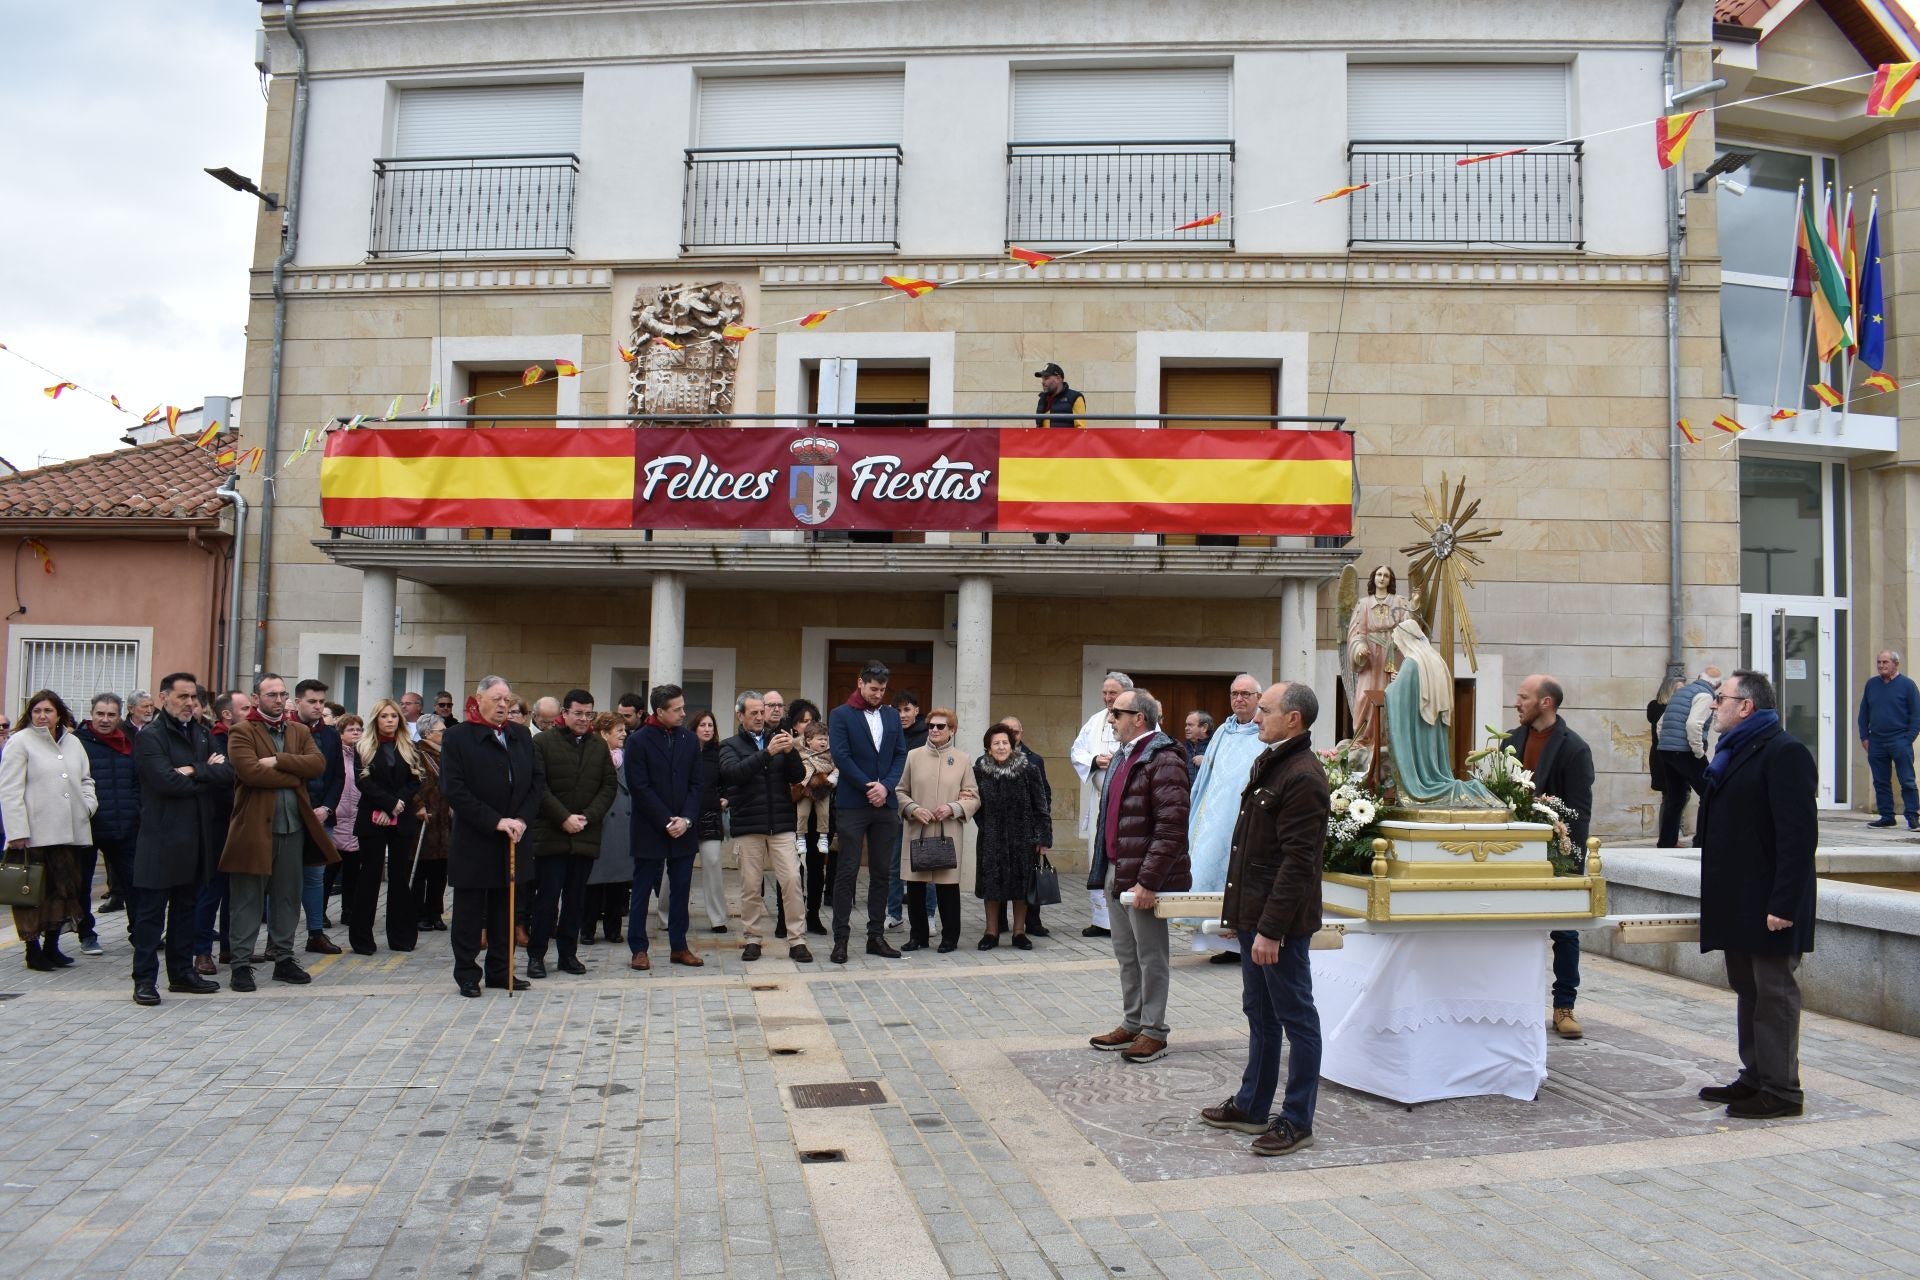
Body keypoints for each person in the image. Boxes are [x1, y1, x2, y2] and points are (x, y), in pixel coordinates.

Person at [1199, 681, 1331, 1155]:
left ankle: (1297, 1119)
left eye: (1266, 709)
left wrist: (1271, 929)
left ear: (1293, 719)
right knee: (1260, 1013)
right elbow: (1249, 849)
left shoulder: (1303, 776)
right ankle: (1253, 1105)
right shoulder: (1272, 762)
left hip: (1280, 927)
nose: (1256, 716)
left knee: (1297, 1018)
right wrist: (1238, 916)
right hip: (1255, 917)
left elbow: (1298, 864)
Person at [1696, 669, 1818, 1119]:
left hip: (1771, 904)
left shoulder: (1784, 753)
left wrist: (1783, 905)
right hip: (1740, 901)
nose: (1714, 705)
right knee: (1748, 989)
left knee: (1775, 995)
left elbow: (1798, 837)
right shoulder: (1733, 750)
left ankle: (1782, 1091)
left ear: (1745, 706)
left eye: (1720, 698)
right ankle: (1756, 1076)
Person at [1085, 687, 1191, 1064]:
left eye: (1116, 713)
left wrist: (1148, 880)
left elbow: (1171, 826)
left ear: (1139, 718)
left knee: (1151, 956)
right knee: (1126, 954)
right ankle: (1132, 1023)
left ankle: (1154, 1031)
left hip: (1144, 876)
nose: (1110, 719)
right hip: (1118, 867)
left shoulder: (1164, 758)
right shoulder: (1124, 755)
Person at [220, 674, 335, 991]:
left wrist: (279, 761)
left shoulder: (298, 730)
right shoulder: (242, 731)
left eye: (282, 694)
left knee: (287, 897)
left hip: (293, 827)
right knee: (247, 900)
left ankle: (284, 958)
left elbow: (317, 765)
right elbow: (250, 772)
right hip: (253, 828)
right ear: (256, 699)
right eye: (271, 694)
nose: (278, 699)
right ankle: (241, 965)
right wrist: (293, 774)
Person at [1503, 675, 1596, 1041]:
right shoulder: (1510, 741)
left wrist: (1569, 857)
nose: (1516, 702)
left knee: (1565, 931)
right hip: (1513, 853)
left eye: (1523, 697)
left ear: (1546, 703)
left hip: (1557, 853)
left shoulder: (1575, 749)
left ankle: (1564, 1006)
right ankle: (1510, 1001)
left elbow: (1580, 812)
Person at [128, 673, 230, 1004]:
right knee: (150, 916)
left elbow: (227, 774)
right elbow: (165, 783)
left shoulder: (201, 733)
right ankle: (144, 979)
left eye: (193, 698)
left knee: (186, 911)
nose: (189, 703)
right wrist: (203, 772)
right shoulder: (151, 737)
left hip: (195, 839)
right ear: (163, 698)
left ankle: (181, 973)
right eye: (182, 697)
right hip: (161, 839)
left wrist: (193, 770)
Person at [440, 676, 543, 996]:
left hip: (515, 836)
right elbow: (454, 789)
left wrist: (523, 819)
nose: (503, 705)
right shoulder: (457, 737)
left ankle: (501, 970)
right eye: (497, 699)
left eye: (507, 700)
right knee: (470, 912)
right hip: (476, 838)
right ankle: (468, 974)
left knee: (506, 909)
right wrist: (496, 821)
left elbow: (536, 782)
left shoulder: (521, 735)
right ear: (479, 699)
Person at [0, 690, 96, 972]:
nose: (42, 716)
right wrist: (16, 830)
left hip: (68, 830)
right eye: (37, 711)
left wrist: (88, 805)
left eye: (48, 711)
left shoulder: (74, 743)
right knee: (32, 890)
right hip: (34, 832)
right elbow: (9, 789)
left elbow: (86, 779)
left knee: (64, 888)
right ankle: (33, 949)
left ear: (59, 715)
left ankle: (53, 945)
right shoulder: (20, 742)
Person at [527, 689, 617, 979]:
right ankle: (536, 956)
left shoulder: (598, 746)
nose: (583, 718)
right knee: (547, 900)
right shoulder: (542, 743)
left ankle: (568, 954)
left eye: (588, 713)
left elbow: (608, 786)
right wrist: (563, 817)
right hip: (552, 835)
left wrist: (587, 817)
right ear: (564, 714)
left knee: (576, 900)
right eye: (577, 713)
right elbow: (539, 787)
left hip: (585, 835)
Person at [718, 692, 810, 963]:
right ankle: (753, 938)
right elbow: (734, 774)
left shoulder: (778, 739)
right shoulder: (729, 745)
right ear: (740, 716)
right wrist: (767, 754)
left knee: (792, 880)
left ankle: (797, 939)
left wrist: (791, 750)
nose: (760, 717)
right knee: (750, 886)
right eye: (754, 713)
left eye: (762, 712)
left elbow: (797, 776)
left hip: (781, 824)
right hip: (748, 826)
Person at [827, 662, 908, 964]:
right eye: (873, 689)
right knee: (846, 871)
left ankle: (876, 936)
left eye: (883, 690)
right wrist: (867, 787)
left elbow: (900, 754)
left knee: (882, 872)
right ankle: (841, 940)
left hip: (884, 804)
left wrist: (885, 787)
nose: (878, 694)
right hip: (852, 803)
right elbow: (841, 756)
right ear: (860, 683)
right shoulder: (841, 714)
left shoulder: (891, 715)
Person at [1186, 674, 1265, 962]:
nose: (1239, 699)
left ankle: (1241, 942)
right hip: (1215, 817)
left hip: (1245, 816)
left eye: (1245, 694)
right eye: (1234, 694)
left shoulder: (1264, 731)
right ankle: (1222, 943)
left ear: (1258, 697)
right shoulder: (1222, 731)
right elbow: (1207, 774)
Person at [1385, 618, 1502, 809]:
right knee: (1436, 771)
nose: (1398, 648)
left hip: (1418, 729)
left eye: (1398, 643)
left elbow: (1397, 696)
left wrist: (1391, 686)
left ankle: (1424, 784)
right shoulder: (1436, 660)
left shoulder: (1411, 663)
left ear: (1405, 639)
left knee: (1425, 781)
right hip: (1435, 728)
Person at [627, 684, 703, 970]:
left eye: (683, 707)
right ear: (659, 711)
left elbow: (697, 784)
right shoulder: (638, 740)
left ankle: (679, 946)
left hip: (684, 828)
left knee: (681, 889)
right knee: (643, 889)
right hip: (650, 828)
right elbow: (639, 786)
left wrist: (685, 819)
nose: (684, 713)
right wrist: (666, 819)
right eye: (677, 709)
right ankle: (638, 948)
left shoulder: (688, 739)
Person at [895, 708, 979, 953]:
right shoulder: (914, 756)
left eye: (940, 726)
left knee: (947, 887)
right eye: (931, 725)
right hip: (917, 829)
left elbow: (973, 797)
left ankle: (950, 937)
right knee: (916, 886)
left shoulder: (962, 759)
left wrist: (953, 807)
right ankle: (917, 935)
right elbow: (901, 791)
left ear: (951, 730)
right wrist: (912, 809)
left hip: (947, 830)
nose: (934, 729)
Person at [349, 697, 424, 956]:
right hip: (372, 817)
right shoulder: (363, 747)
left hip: (401, 818)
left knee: (400, 878)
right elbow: (364, 783)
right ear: (376, 720)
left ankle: (401, 937)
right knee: (369, 877)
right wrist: (386, 805)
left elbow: (415, 781)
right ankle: (362, 939)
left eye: (394, 716)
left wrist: (397, 804)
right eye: (384, 716)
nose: (390, 720)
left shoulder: (410, 747)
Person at [970, 721, 1048, 951]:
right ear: (988, 747)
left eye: (1005, 742)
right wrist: (985, 826)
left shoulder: (1029, 770)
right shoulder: (978, 772)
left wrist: (1042, 837)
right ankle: (991, 932)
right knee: (991, 885)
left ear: (1012, 745)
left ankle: (1019, 932)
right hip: (990, 838)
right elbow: (974, 804)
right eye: (996, 743)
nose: (1001, 747)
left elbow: (1040, 806)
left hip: (1023, 838)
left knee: (1020, 887)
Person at [76, 693, 140, 957]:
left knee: (135, 882)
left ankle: (140, 932)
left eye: (111, 714)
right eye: (100, 714)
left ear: (119, 716)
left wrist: (136, 810)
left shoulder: (129, 742)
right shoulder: (77, 744)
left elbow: (138, 780)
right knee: (82, 884)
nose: (104, 720)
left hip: (124, 825)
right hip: (88, 825)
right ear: (91, 713)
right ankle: (86, 934)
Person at [192, 690, 250, 975]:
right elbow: (221, 776)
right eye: (245, 708)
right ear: (227, 714)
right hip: (216, 824)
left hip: (242, 822)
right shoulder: (211, 739)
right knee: (211, 889)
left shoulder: (248, 737)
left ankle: (231, 947)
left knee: (236, 890)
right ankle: (202, 951)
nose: (251, 713)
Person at [1069, 672, 1131, 937]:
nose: (1107, 698)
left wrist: (1120, 758)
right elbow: (1077, 751)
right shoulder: (1095, 721)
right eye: (1105, 693)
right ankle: (1101, 919)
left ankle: (1124, 919)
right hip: (1100, 803)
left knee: (1124, 858)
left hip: (1129, 803)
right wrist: (1095, 760)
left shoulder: (1140, 718)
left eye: (1112, 693)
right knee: (1099, 856)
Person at [294, 679, 345, 956]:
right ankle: (278, 941)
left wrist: (327, 808)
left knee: (315, 877)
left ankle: (316, 933)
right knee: (285, 879)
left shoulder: (331, 735)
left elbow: (338, 776)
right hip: (292, 815)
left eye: (321, 702)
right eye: (312, 701)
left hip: (321, 816)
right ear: (298, 702)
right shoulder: (288, 731)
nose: (317, 706)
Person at [1344, 564, 1416, 742]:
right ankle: (1364, 737)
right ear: (1373, 578)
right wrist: (1359, 648)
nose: (1382, 578)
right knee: (1364, 697)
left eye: (1386, 575)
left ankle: (1390, 738)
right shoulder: (1364, 604)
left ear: (1390, 580)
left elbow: (1409, 624)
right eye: (1378, 574)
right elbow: (1356, 633)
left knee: (1392, 694)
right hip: (1371, 658)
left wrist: (1415, 602)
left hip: (1394, 653)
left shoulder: (1399, 601)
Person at [1655, 666, 1721, 847]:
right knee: (1710, 792)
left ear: (1699, 677)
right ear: (1718, 685)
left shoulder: (1681, 693)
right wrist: (1699, 752)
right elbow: (1694, 725)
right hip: (1686, 751)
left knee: (1675, 796)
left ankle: (1667, 841)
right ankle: (1702, 840)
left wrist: (1666, 743)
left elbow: (1660, 724)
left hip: (1666, 750)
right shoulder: (1706, 696)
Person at [582, 712, 632, 945]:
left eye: (624, 729)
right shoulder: (591, 755)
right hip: (599, 824)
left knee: (618, 881)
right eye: (619, 730)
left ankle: (614, 928)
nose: (624, 734)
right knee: (593, 881)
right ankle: (587, 928)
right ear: (604, 733)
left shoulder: (627, 757)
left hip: (623, 824)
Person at [1857, 649, 1920, 829]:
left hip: (1899, 740)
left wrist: (1908, 738)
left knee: (1907, 779)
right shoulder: (1872, 685)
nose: (1881, 666)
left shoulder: (1908, 685)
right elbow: (1864, 714)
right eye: (1879, 662)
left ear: (1895, 664)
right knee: (1880, 780)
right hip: (1876, 741)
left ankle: (1912, 817)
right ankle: (1886, 816)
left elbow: (1916, 715)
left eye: (1885, 662)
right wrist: (1864, 737)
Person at [1031, 361, 1084, 544]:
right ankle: (1041, 531)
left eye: (1046, 377)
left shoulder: (1075, 398)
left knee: (1063, 492)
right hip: (1044, 455)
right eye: (1042, 378)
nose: (1043, 382)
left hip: (1066, 457)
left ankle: (1063, 529)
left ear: (1058, 378)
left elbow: (1081, 429)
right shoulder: (1042, 399)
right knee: (1041, 491)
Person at [408, 713, 451, 931]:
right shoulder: (416, 753)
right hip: (424, 820)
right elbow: (410, 783)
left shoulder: (446, 755)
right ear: (427, 733)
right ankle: (417, 913)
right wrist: (418, 805)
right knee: (422, 868)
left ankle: (435, 912)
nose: (445, 734)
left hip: (444, 820)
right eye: (441, 731)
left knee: (439, 870)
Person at [690, 709, 730, 933]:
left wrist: (726, 798)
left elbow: (730, 780)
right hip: (684, 817)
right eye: (702, 725)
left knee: (713, 863)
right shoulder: (684, 750)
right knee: (673, 869)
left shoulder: (720, 752)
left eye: (710, 725)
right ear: (694, 728)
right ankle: (666, 917)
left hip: (711, 815)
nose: (707, 729)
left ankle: (717, 919)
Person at [331, 714, 364, 931]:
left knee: (353, 869)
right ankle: (320, 912)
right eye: (351, 729)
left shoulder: (363, 755)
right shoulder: (334, 754)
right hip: (337, 816)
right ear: (341, 733)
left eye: (358, 729)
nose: (355, 733)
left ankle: (349, 910)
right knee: (330, 869)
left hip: (356, 817)